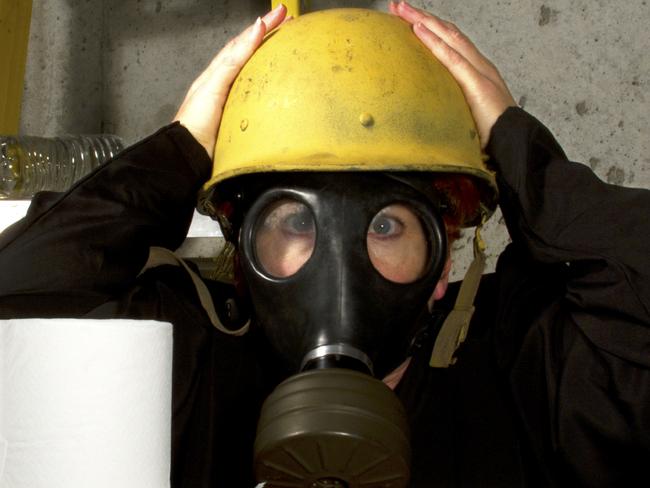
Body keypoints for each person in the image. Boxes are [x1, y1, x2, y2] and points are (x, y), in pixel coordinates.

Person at [1, 2, 648, 487]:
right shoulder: (194, 362)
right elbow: (16, 314)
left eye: (387, 226)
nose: (339, 271)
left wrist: (519, 151)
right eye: (296, 223)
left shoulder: (523, 366)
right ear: (243, 255)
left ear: (444, 259)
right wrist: (180, 150)